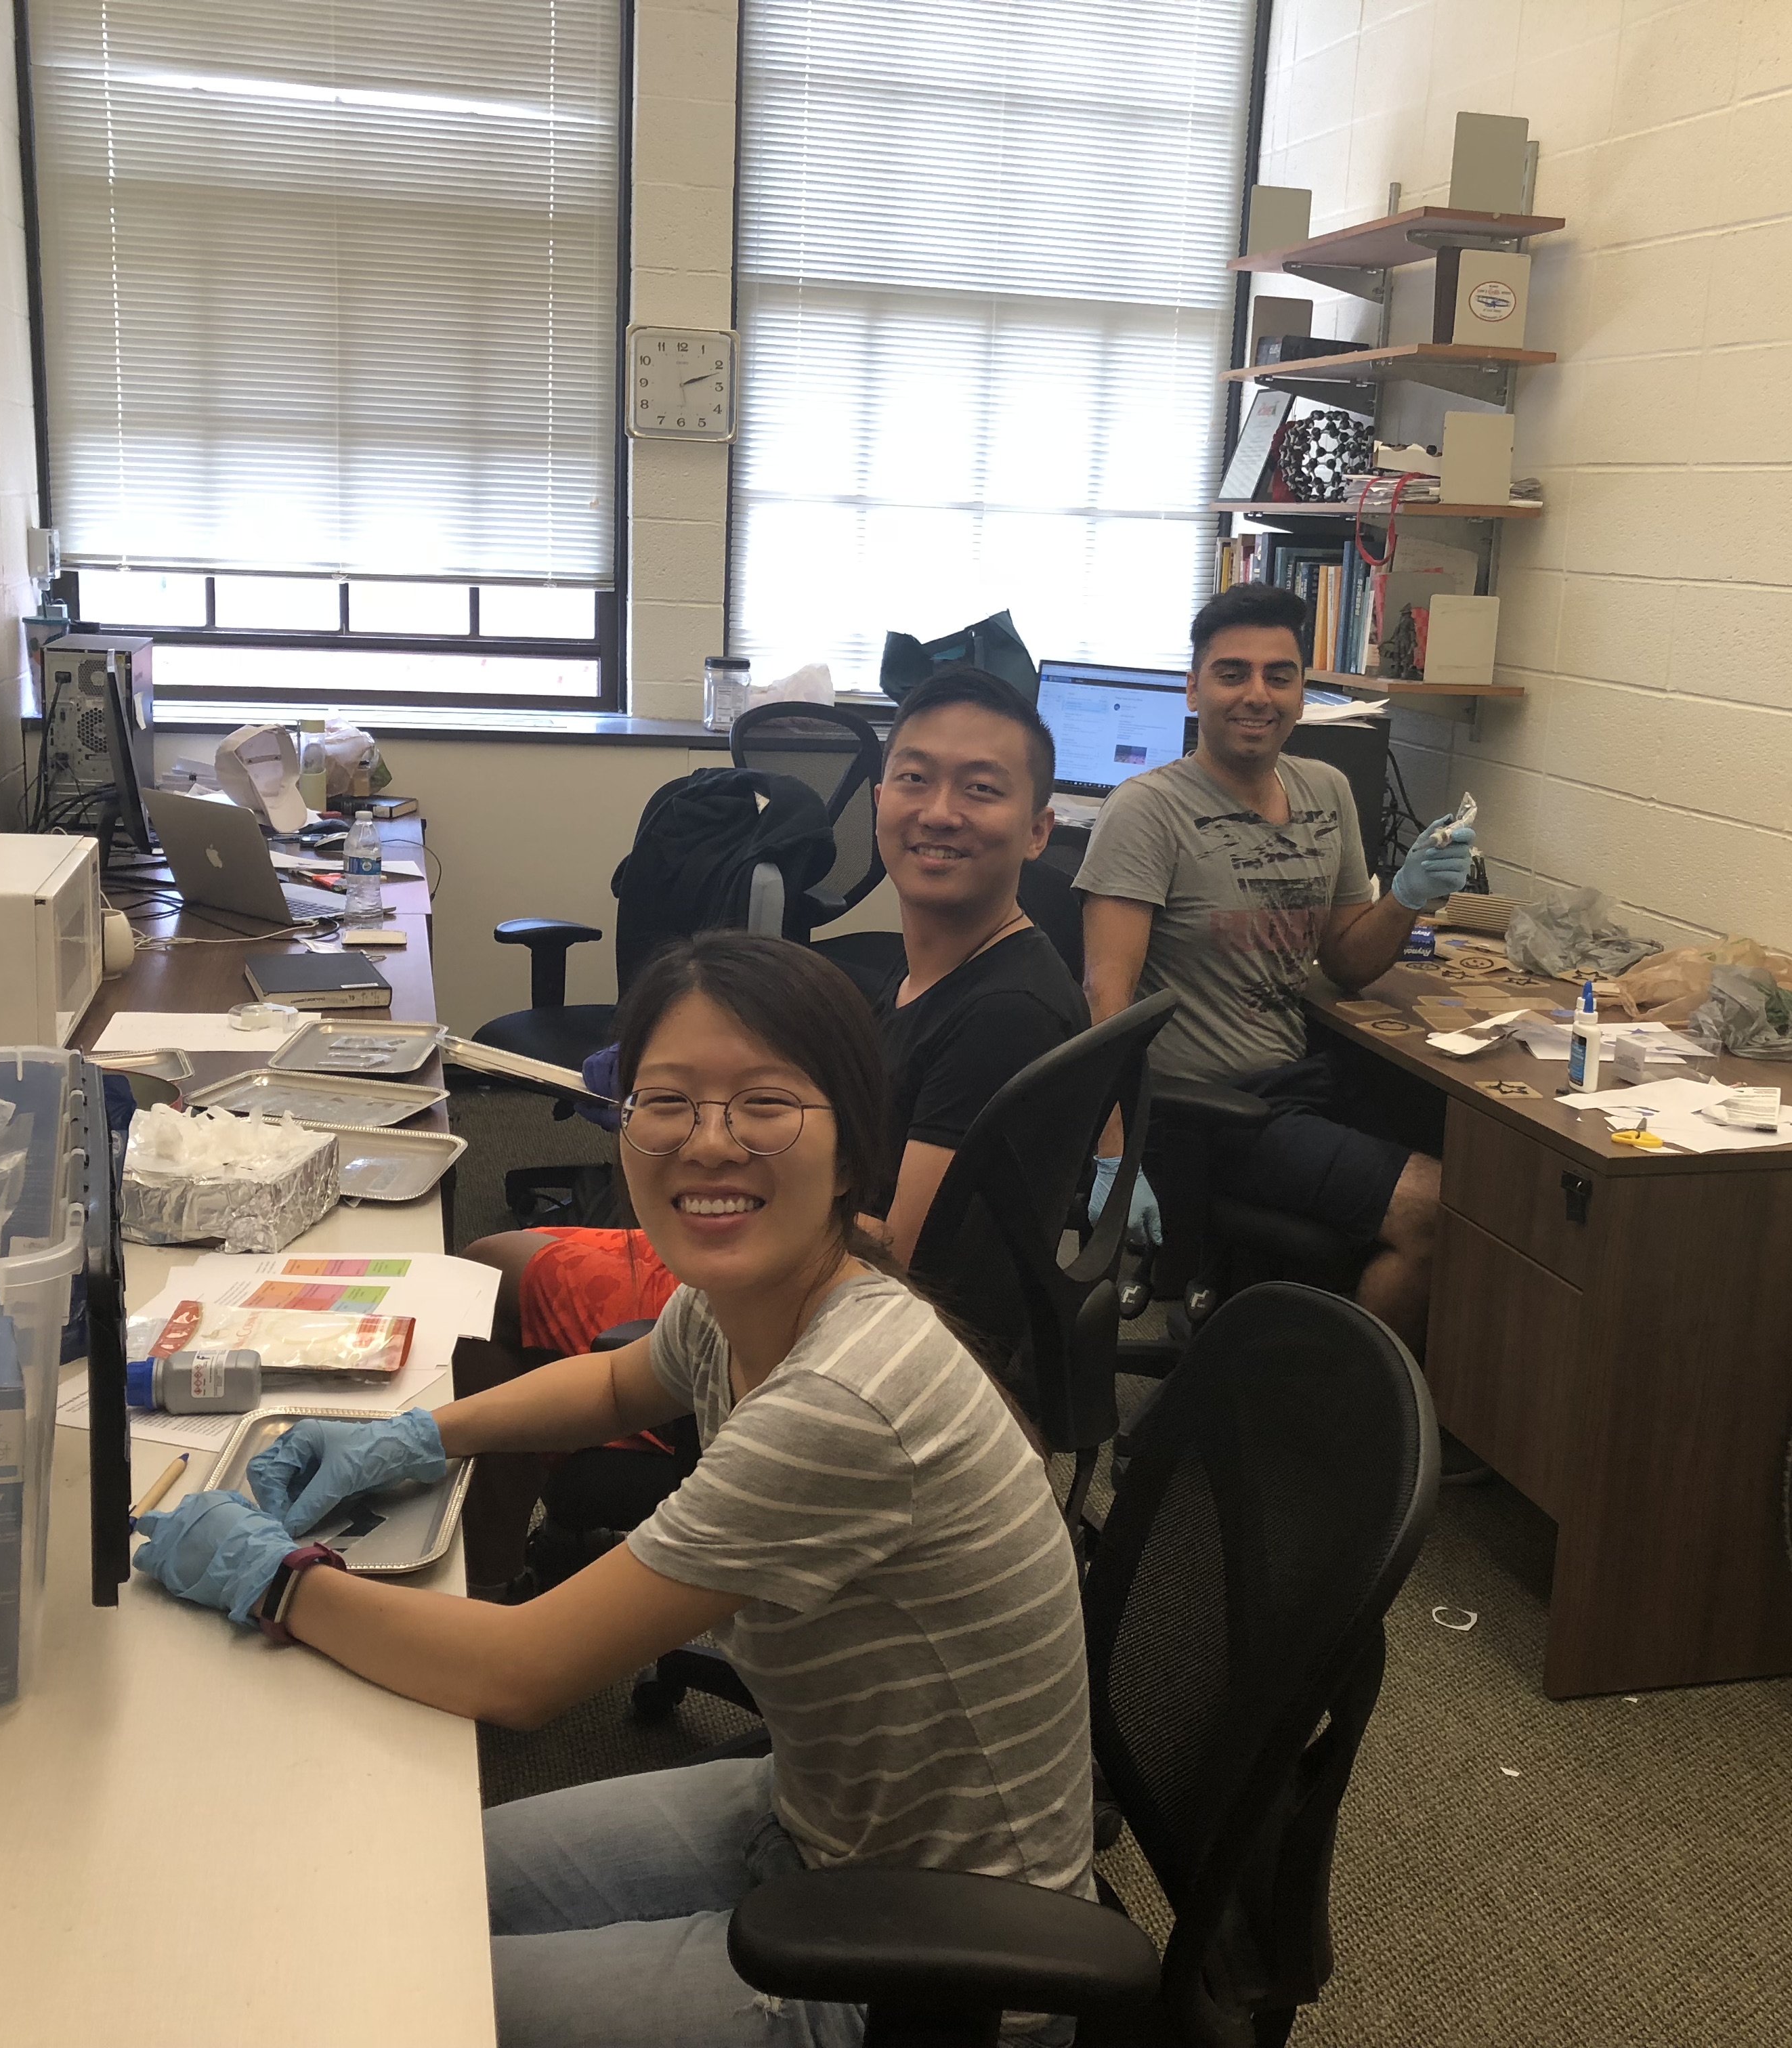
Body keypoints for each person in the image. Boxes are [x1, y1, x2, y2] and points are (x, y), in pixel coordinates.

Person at [129, 932, 1094, 2048]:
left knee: (378, 1991)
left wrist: (276, 1578)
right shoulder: (765, 1291)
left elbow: (522, 1670)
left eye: (765, 1104)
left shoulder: (845, 1396)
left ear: (851, 1149)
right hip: (817, 1814)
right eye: (668, 1100)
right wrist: (410, 1434)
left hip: (934, 1966)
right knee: (380, 1894)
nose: (710, 1141)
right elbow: (615, 1378)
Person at [462, 667, 1088, 1572]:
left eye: (980, 789)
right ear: (878, 804)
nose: (940, 810)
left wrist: (715, 1174)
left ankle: (488, 1570)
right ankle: (511, 1543)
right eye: (915, 779)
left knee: (487, 1294)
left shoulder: (1002, 1014)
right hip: (811, 1260)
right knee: (491, 1263)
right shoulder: (924, 977)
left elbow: (903, 1254)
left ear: (1038, 829)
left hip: (835, 1315)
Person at [1073, 580, 1475, 1359]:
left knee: (1490, 1174)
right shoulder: (1146, 811)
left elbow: (1348, 961)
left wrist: (1408, 898)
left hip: (1295, 1086)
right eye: (1232, 674)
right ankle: (1321, 1415)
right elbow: (1105, 997)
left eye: (1278, 675)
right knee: (1437, 1208)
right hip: (1202, 1115)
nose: (1257, 695)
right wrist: (1114, 1159)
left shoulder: (1326, 792)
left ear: (1301, 692)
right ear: (1193, 689)